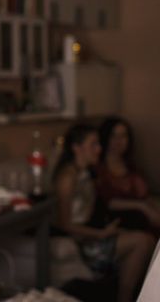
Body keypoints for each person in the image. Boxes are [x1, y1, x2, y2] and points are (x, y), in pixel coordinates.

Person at [53, 124, 154, 302]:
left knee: (144, 239)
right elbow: (64, 223)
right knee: (142, 241)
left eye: (99, 144)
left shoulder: (87, 173)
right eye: (93, 144)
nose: (99, 149)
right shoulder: (68, 177)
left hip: (94, 232)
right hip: (84, 242)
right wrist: (101, 234)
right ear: (77, 148)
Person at [96, 116, 160, 234]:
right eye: (114, 136)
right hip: (117, 220)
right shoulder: (99, 168)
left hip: (141, 217)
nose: (119, 141)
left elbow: (145, 195)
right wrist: (142, 206)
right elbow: (107, 202)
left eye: (123, 136)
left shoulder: (131, 166)